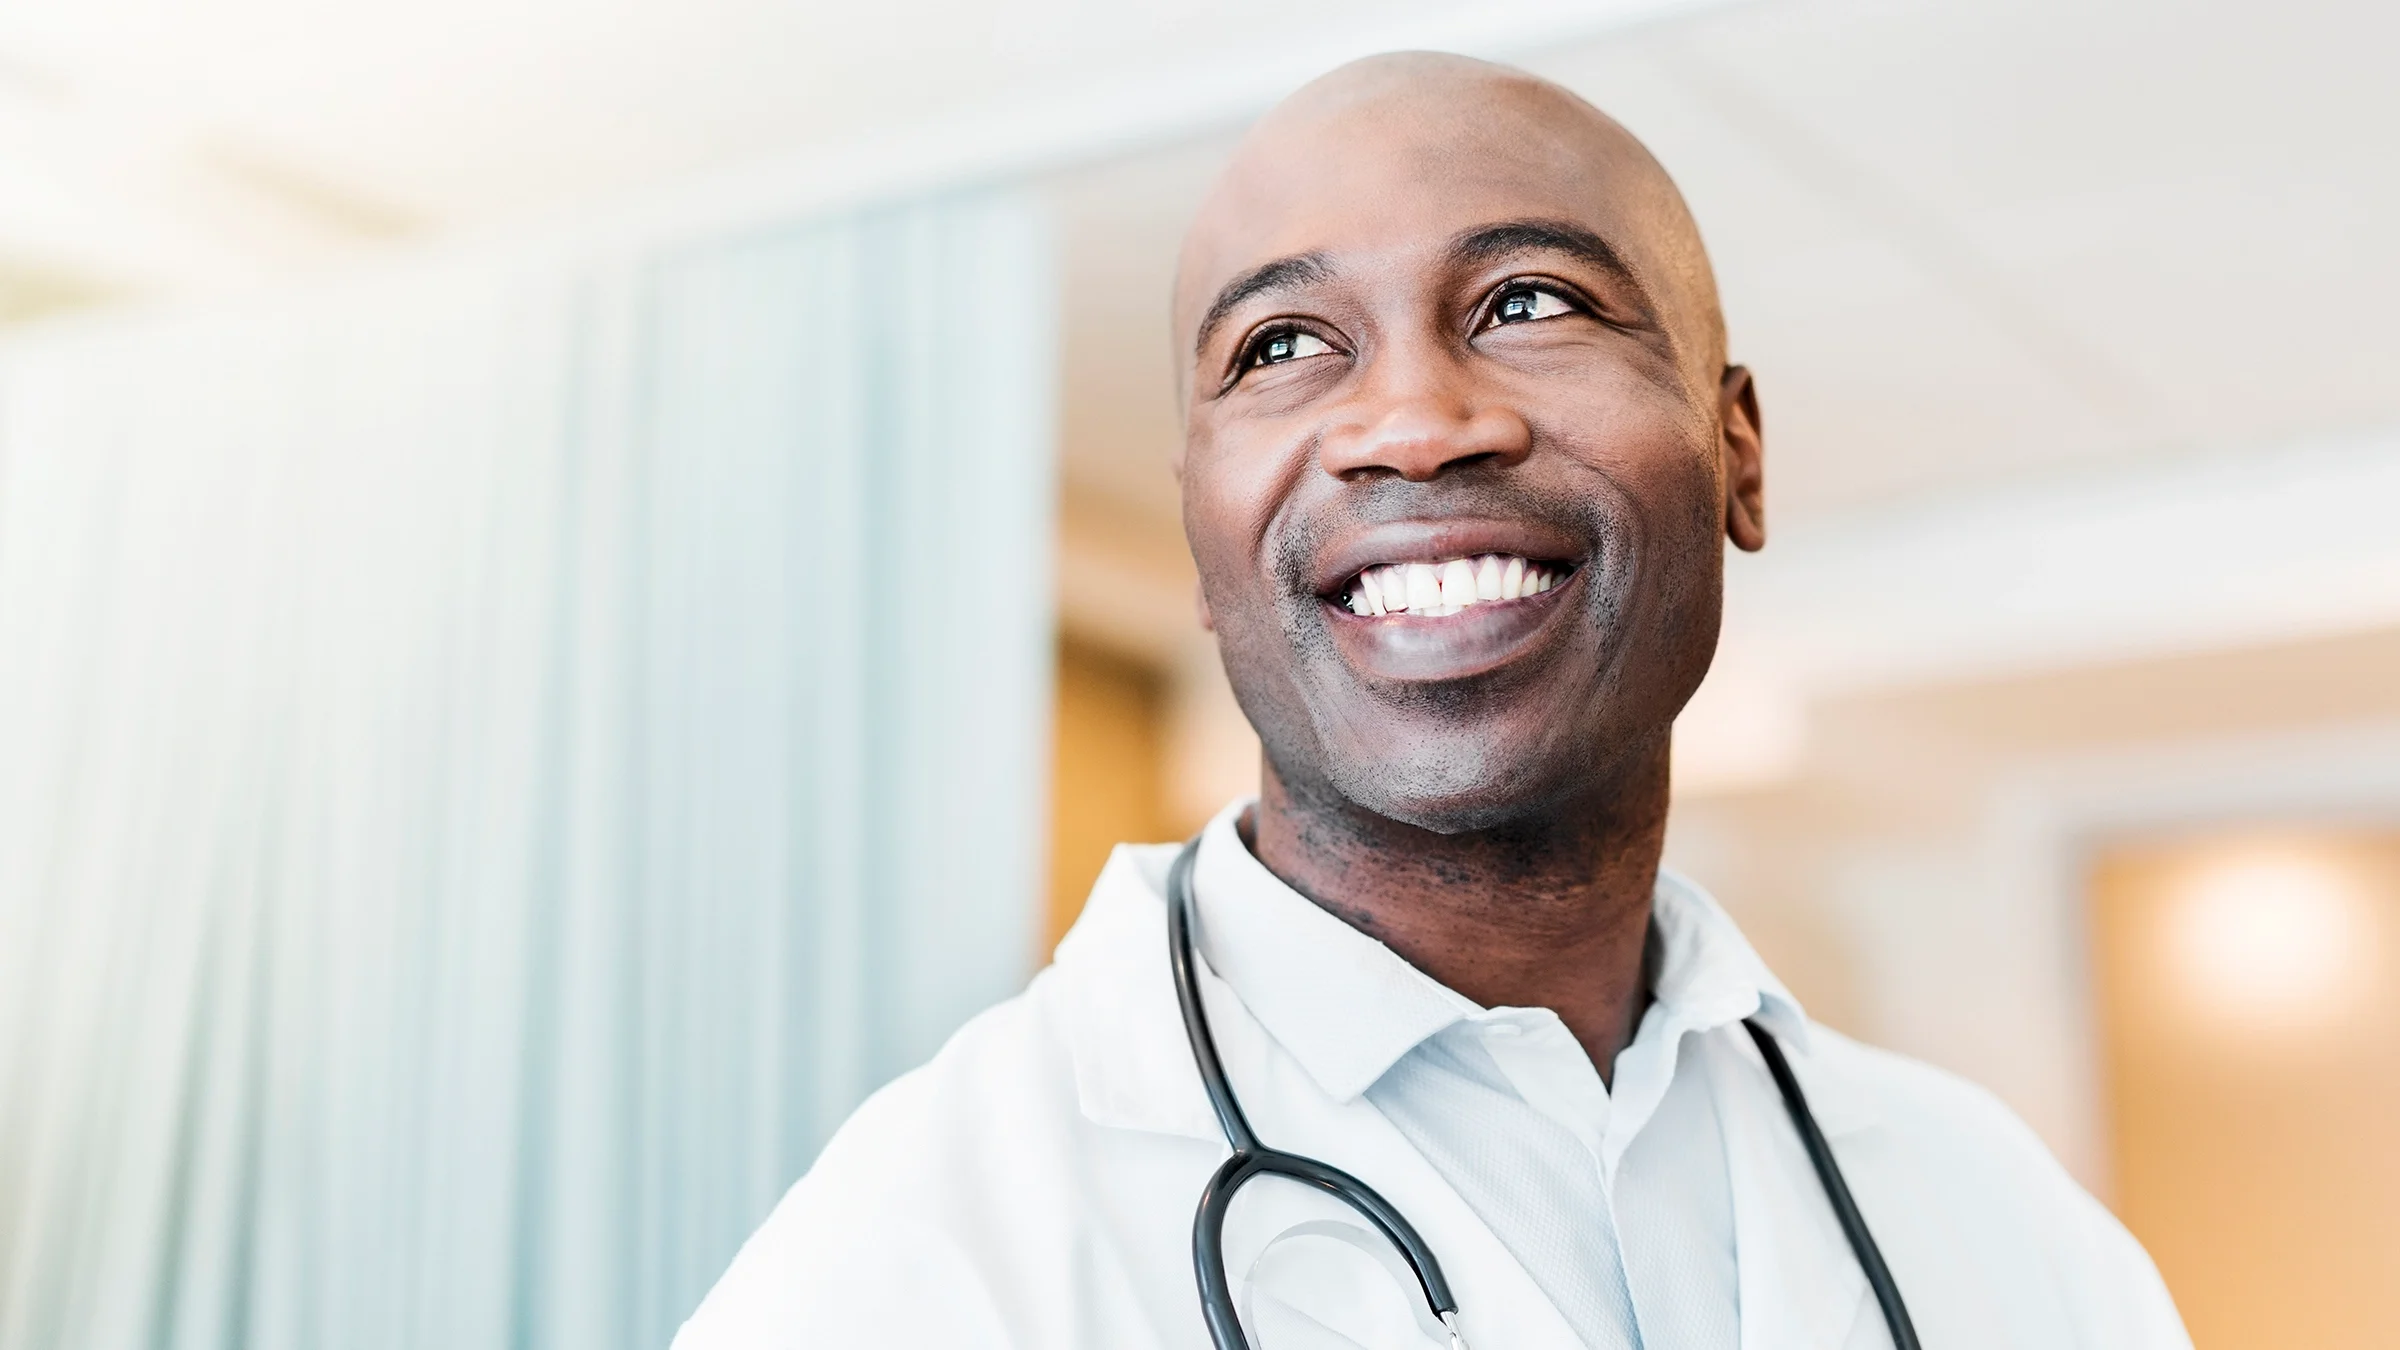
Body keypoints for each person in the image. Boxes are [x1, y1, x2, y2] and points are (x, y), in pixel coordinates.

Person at [674, 53, 2190, 1350]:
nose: (1411, 422)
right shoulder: (926, 1256)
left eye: (1531, 300)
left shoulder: (1997, 1217)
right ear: (1204, 533)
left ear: (1737, 451)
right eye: (1282, 346)